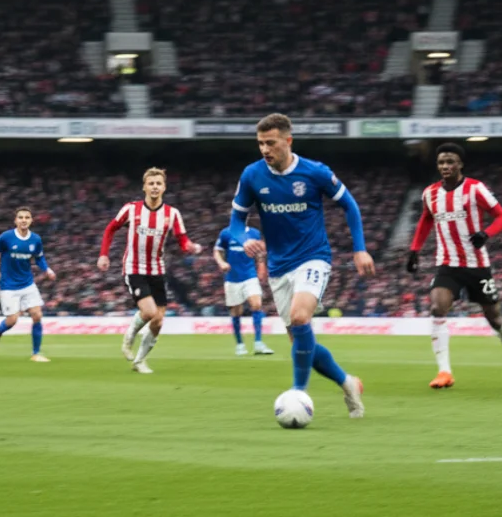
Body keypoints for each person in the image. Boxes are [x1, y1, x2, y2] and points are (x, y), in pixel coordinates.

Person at [228, 113, 372, 418]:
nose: (265, 149)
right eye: (260, 144)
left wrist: (359, 249)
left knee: (300, 317)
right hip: (279, 267)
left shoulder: (314, 172)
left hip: (313, 257)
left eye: (271, 143)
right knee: (301, 341)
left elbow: (350, 205)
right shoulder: (252, 175)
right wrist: (243, 239)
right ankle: (347, 382)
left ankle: (298, 393)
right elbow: (236, 220)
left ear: (288, 140)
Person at [407, 143, 502, 389]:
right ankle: (444, 372)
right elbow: (426, 219)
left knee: (494, 318)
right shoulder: (430, 193)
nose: (445, 167)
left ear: (460, 164)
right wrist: (414, 250)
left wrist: (486, 234)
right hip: (447, 264)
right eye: (441, 162)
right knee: (438, 306)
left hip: (477, 265)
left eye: (450, 162)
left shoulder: (475, 189)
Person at [98, 167, 204, 374]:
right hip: (134, 268)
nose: (155, 187)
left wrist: (189, 246)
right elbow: (110, 228)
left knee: (158, 321)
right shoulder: (131, 209)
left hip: (157, 270)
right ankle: (129, 336)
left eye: (158, 184)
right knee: (148, 312)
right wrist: (104, 254)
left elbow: (182, 240)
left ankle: (139, 361)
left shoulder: (172, 214)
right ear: (144, 187)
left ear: (164, 187)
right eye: (151, 183)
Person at [0, 206, 56, 362]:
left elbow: (39, 257)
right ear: (15, 220)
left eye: (27, 217)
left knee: (37, 315)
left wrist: (47, 270)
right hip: (8, 286)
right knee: (12, 320)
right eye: (21, 217)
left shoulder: (36, 240)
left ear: (31, 220)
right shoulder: (6, 237)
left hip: (27, 284)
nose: (24, 220)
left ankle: (36, 353)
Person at [213, 226, 273, 356]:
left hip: (250, 275)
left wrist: (261, 265)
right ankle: (240, 344)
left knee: (256, 304)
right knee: (236, 312)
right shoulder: (226, 233)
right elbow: (217, 251)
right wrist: (222, 263)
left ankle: (258, 343)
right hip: (232, 278)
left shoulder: (254, 233)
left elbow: (259, 252)